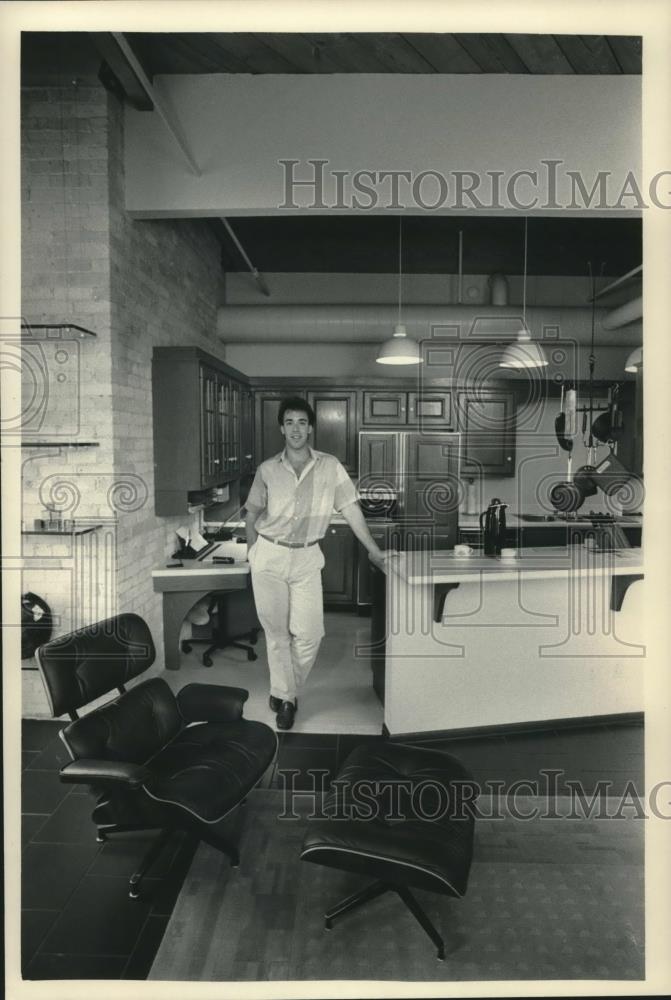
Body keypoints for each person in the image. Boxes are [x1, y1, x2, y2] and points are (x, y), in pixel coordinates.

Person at [244, 396, 392, 730]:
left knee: (310, 633)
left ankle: (284, 689)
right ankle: (287, 700)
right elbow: (252, 513)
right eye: (290, 422)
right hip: (269, 554)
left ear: (311, 428)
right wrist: (253, 553)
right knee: (277, 633)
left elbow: (352, 508)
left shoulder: (330, 466)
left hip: (308, 556)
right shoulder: (267, 470)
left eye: (302, 422)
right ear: (281, 428)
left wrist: (373, 549)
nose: (296, 429)